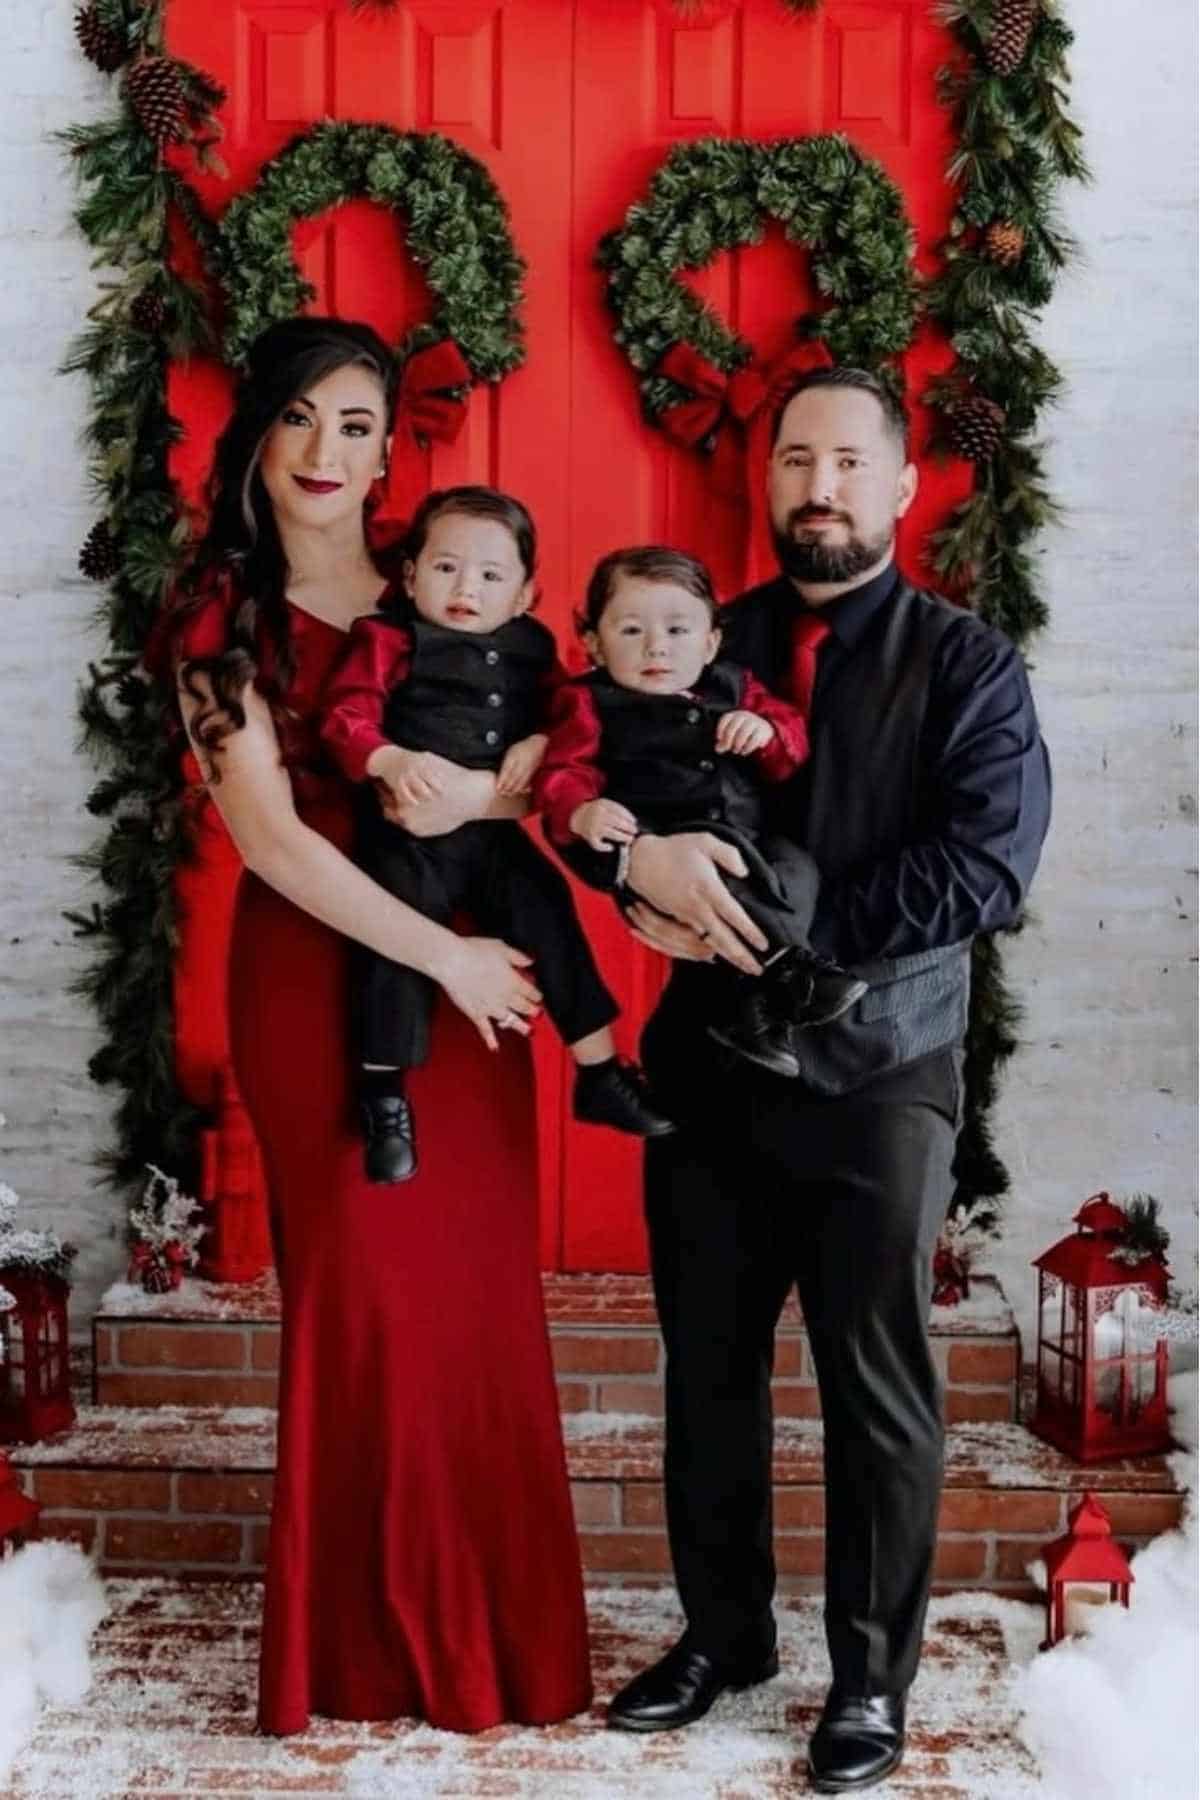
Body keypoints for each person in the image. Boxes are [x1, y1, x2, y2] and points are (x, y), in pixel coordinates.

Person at [596, 367, 1052, 1793]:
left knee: (875, 1388)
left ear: (906, 487)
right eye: (797, 460)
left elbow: (987, 865)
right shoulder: (698, 640)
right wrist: (629, 867)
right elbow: (602, 782)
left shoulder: (967, 663)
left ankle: (869, 1682)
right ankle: (726, 1639)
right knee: (710, 1374)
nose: (821, 487)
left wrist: (794, 937)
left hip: (880, 1071)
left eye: (850, 462)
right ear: (767, 480)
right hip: (710, 1072)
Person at [158, 316, 592, 1735]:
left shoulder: (444, 573)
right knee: (364, 1307)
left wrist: (498, 795)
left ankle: (499, 1648)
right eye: (299, 419)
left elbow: (554, 744)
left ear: (388, 445)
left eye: (356, 425)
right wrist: (450, 962)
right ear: (258, 436)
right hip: (325, 981)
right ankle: (351, 1652)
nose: (327, 452)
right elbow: (274, 843)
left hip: (470, 970)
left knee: (472, 1306)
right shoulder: (221, 617)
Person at [318, 486, 674, 1185]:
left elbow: (579, 719)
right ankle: (384, 1093)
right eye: (446, 568)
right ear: (411, 576)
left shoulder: (534, 651)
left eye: (490, 575)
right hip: (406, 838)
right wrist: (389, 758)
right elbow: (345, 714)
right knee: (394, 938)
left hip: (492, 839)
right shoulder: (388, 638)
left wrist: (541, 742)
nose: (466, 589)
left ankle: (599, 1069)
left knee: (547, 907)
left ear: (524, 594)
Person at [535, 544, 867, 1076]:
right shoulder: (590, 702)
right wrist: (580, 812)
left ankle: (758, 1005)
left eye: (677, 630)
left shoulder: (735, 687)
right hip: (672, 838)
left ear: (711, 642)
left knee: (797, 868)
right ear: (594, 644)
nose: (655, 648)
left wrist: (765, 733)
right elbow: (562, 770)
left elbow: (792, 746)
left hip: (752, 839)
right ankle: (793, 973)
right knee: (731, 861)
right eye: (630, 631)